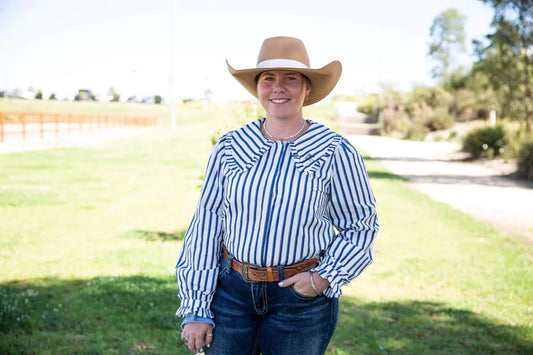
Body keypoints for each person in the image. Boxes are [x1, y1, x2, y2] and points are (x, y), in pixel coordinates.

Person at [175, 36, 379, 355]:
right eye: (268, 78)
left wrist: (322, 278)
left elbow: (361, 226)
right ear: (257, 87)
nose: (278, 88)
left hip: (300, 303)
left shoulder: (335, 151)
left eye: (291, 79)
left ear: (307, 88)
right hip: (231, 295)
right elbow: (207, 224)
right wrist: (197, 305)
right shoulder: (230, 148)